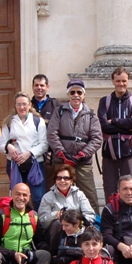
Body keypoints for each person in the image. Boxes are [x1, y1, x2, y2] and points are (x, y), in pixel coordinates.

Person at [47, 79, 103, 210]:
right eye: (72, 92)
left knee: (90, 197)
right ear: (68, 94)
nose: (76, 95)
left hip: (82, 163)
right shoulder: (59, 111)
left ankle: (94, 226)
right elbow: (52, 134)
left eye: (79, 92)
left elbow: (97, 138)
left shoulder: (91, 115)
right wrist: (62, 153)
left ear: (84, 95)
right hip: (61, 161)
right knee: (59, 195)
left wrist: (83, 154)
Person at [98, 67, 132, 204]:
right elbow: (103, 125)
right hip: (109, 151)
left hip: (129, 151)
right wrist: (126, 124)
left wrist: (114, 121)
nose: (121, 84)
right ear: (113, 81)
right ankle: (112, 216)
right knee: (110, 188)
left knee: (130, 187)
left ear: (128, 81)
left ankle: (130, 216)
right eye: (118, 81)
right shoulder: (105, 101)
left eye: (124, 81)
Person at [0, 92, 48, 210]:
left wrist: (29, 153)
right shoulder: (9, 122)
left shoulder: (38, 121)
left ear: (30, 105)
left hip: (35, 164)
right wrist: (9, 147)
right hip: (14, 164)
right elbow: (1, 145)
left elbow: (44, 144)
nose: (22, 107)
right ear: (15, 106)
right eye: (19, 104)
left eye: (24, 104)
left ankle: (38, 224)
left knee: (38, 197)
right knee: (17, 197)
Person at [37, 164, 96, 249]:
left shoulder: (79, 195)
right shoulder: (47, 197)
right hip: (56, 232)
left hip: (77, 230)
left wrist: (78, 221)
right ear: (55, 180)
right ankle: (55, 255)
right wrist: (55, 215)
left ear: (71, 180)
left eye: (66, 178)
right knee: (57, 224)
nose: (62, 181)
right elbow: (42, 221)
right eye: (59, 178)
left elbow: (90, 215)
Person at [29, 74, 61, 188]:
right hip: (31, 154)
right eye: (36, 85)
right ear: (32, 87)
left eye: (42, 85)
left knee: (51, 187)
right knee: (33, 189)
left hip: (50, 155)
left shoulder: (56, 105)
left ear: (47, 87)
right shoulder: (27, 105)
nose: (39, 88)